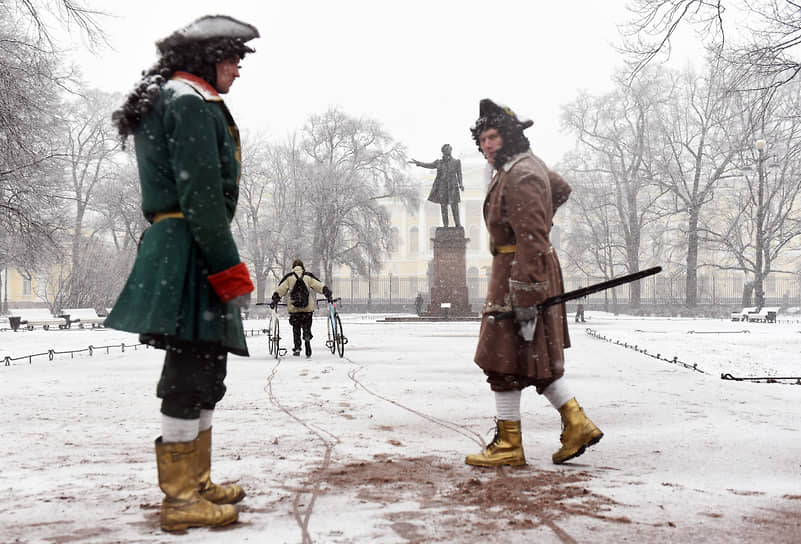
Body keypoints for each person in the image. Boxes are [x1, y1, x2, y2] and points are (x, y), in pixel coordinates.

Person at [105, 15, 258, 532]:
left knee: (205, 369)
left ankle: (196, 481)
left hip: (184, 244)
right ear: (207, 59)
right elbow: (202, 197)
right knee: (192, 371)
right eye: (233, 59)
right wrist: (228, 267)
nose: (238, 70)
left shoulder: (178, 98)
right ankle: (181, 497)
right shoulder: (188, 102)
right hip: (192, 246)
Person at [465, 98, 603, 468]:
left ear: (508, 136)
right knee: (530, 358)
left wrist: (525, 293)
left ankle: (510, 444)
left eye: (493, 137)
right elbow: (560, 189)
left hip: (520, 273)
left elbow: (532, 238)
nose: (486, 146)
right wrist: (540, 217)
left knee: (503, 359)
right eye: (482, 140)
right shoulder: (523, 167)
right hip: (522, 270)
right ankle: (577, 423)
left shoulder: (522, 173)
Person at [270, 259, 332, 357]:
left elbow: (281, 289)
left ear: (293, 267)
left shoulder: (289, 277)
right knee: (307, 326)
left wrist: (275, 298)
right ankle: (307, 338)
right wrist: (327, 292)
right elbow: (318, 285)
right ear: (302, 267)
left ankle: (297, 347)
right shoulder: (308, 276)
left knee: (296, 328)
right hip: (307, 308)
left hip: (294, 308)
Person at [410, 144, 464, 227]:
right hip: (442, 187)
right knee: (443, 207)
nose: (449, 151)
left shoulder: (456, 162)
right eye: (447, 149)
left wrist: (461, 184)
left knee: (454, 206)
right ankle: (445, 225)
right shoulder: (439, 162)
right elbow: (429, 165)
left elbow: (459, 174)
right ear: (443, 151)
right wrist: (419, 163)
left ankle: (458, 224)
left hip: (453, 187)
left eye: (450, 149)